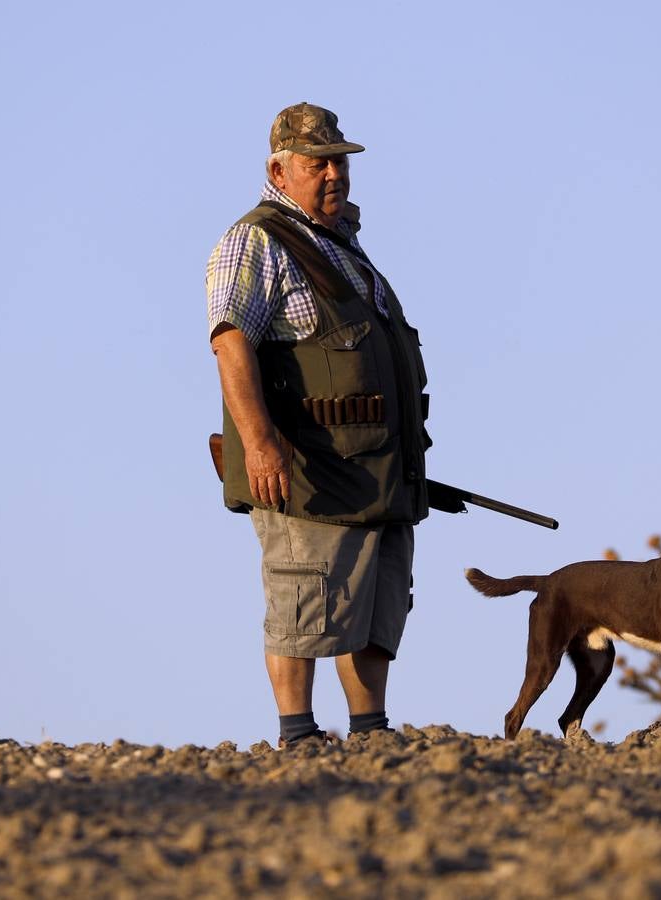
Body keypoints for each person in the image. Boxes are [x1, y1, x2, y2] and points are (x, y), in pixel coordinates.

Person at [206, 102, 432, 748]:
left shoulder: (346, 252)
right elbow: (230, 343)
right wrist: (260, 445)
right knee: (302, 599)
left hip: (374, 472)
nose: (334, 174)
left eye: (340, 161)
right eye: (318, 163)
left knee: (374, 604)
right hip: (305, 470)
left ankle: (369, 732)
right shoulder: (254, 241)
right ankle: (297, 734)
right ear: (279, 169)